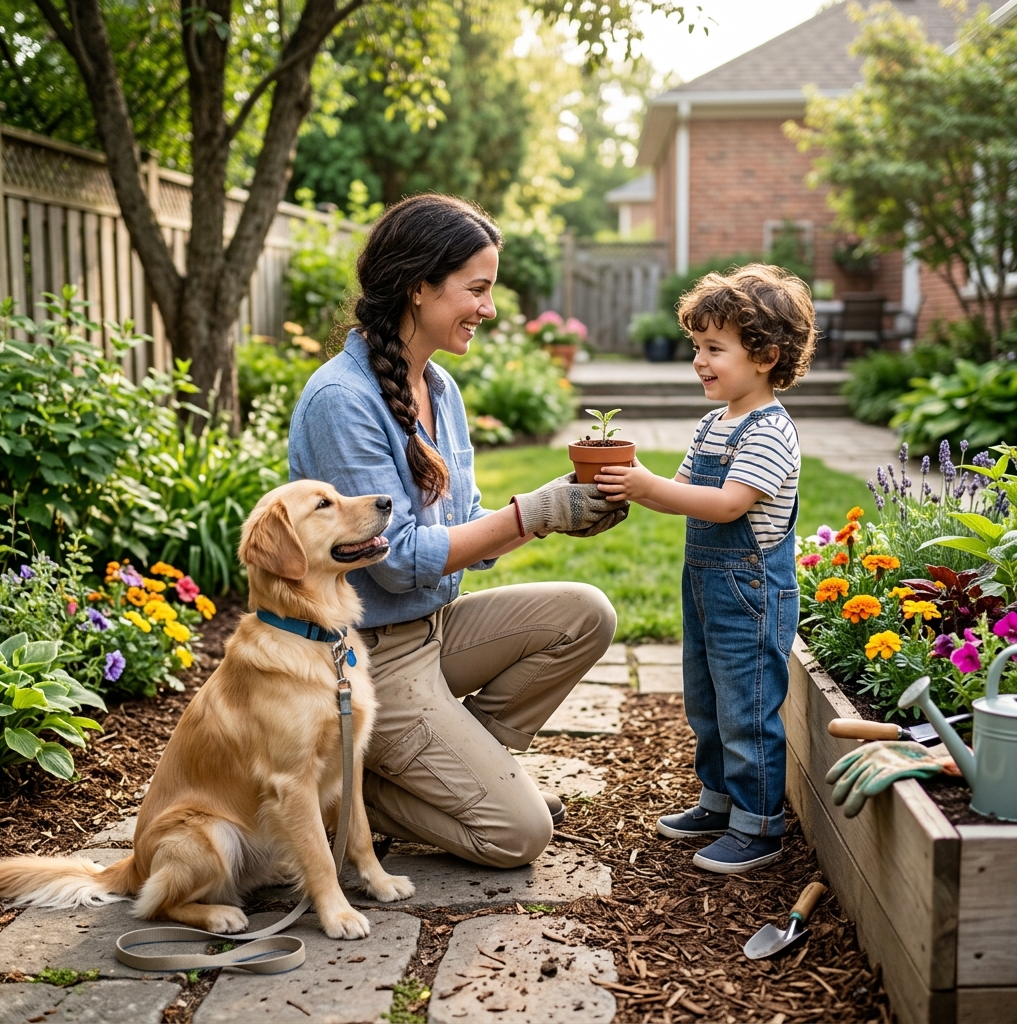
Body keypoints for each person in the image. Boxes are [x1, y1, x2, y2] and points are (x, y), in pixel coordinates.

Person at [287, 193, 627, 870]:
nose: (490, 309)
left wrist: (553, 523)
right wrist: (532, 512)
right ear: (419, 288)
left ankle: (457, 769)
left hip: (433, 630)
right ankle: (353, 794)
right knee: (519, 835)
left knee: (586, 614)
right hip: (367, 659)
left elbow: (462, 528)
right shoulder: (341, 401)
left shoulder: (438, 388)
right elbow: (394, 560)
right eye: (477, 289)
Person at [595, 265, 816, 873]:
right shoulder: (713, 424)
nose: (699, 360)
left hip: (751, 591)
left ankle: (759, 826)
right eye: (697, 347)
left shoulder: (771, 431)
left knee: (747, 706)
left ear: (766, 356)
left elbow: (726, 505)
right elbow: (684, 488)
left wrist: (647, 487)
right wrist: (634, 481)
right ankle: (719, 803)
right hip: (706, 586)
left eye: (714, 349)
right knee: (708, 701)